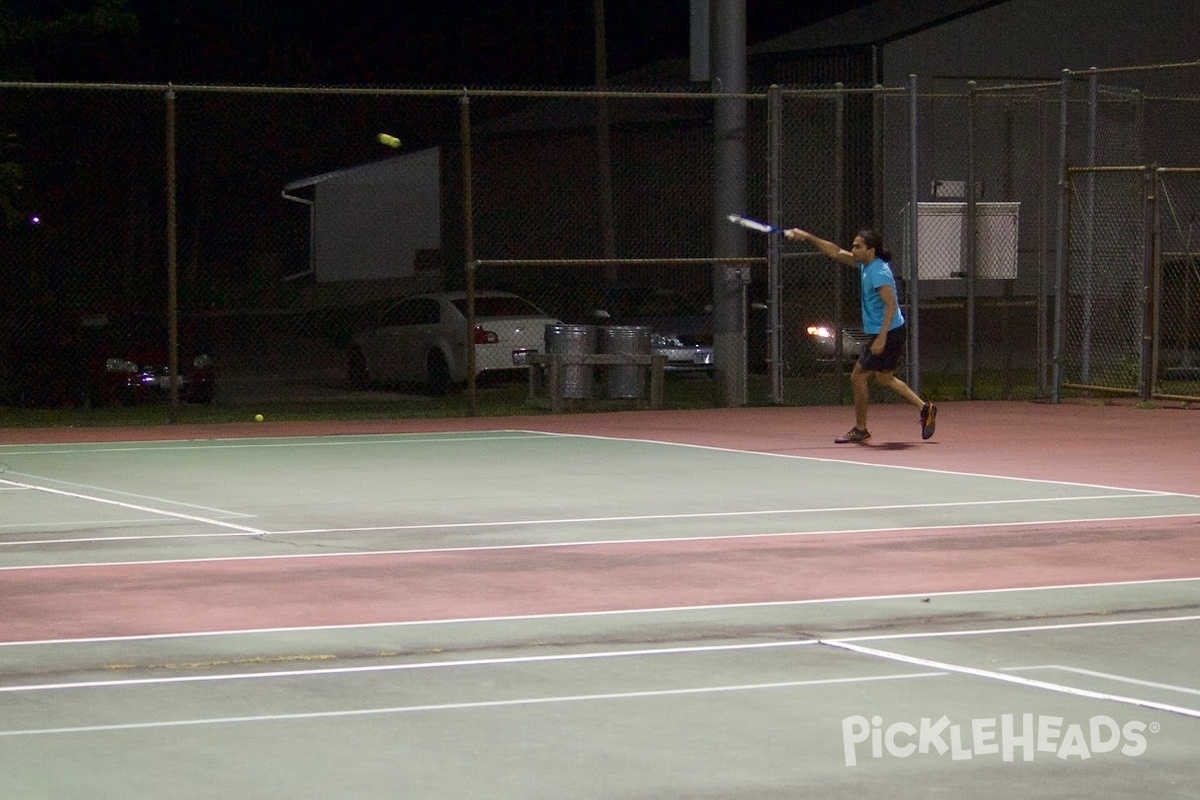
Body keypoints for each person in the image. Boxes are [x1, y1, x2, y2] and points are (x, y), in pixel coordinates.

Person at [784, 226, 937, 443]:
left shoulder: (878, 272)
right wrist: (808, 237)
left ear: (871, 250)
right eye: (853, 245)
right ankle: (926, 408)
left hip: (889, 332)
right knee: (884, 378)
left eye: (858, 246)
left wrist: (882, 337)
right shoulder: (865, 265)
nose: (853, 249)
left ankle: (861, 429)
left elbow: (892, 305)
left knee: (858, 376)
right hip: (887, 331)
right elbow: (835, 252)